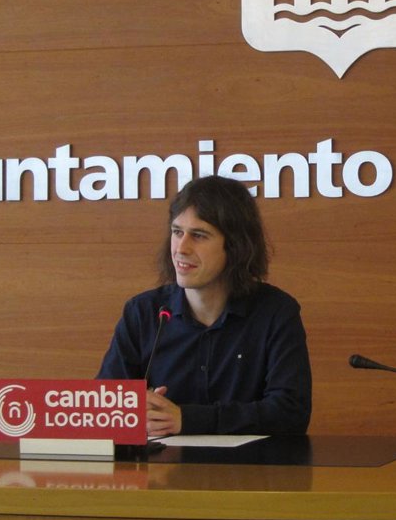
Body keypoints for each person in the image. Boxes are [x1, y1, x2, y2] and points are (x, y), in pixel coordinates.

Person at [97, 175, 311, 436]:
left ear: (235, 246)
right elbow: (103, 408)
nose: (181, 248)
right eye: (177, 232)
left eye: (198, 235)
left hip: (251, 462)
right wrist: (135, 410)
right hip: (163, 462)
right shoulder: (143, 312)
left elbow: (291, 413)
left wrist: (188, 419)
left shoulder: (276, 312)